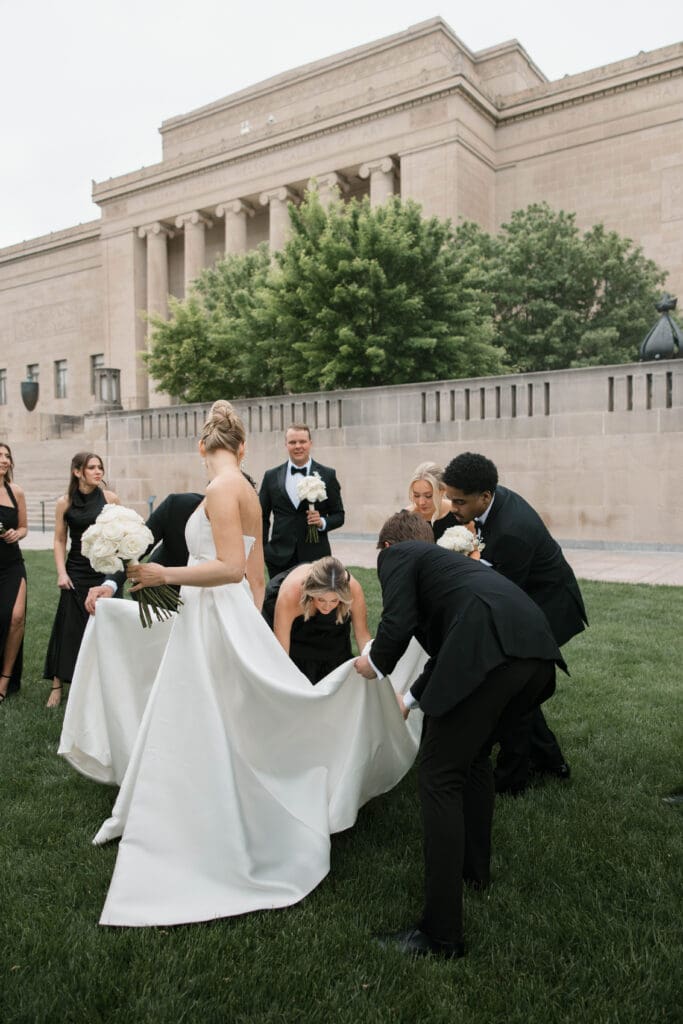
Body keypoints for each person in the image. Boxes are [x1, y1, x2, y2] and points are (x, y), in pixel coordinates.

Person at [92, 401, 420, 928]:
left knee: (200, 710)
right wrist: (249, 617)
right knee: (210, 711)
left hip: (210, 614)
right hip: (224, 614)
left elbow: (224, 566)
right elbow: (255, 565)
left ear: (203, 446)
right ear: (241, 448)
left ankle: (199, 818)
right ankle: (173, 802)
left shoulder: (222, 489)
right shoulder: (245, 486)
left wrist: (161, 574)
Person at [354, 511, 566, 959]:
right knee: (471, 762)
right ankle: (474, 873)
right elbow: (448, 651)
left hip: (491, 654)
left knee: (437, 776)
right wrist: (408, 700)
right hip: (534, 656)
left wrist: (372, 665)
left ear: (386, 548)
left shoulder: (400, 555)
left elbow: (398, 623)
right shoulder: (456, 574)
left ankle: (440, 935)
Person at [442, 452, 588, 794]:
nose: (452, 507)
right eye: (450, 498)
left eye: (459, 501)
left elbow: (504, 599)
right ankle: (550, 763)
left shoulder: (512, 532)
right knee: (522, 690)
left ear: (485, 497)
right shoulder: (493, 498)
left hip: (548, 608)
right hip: (528, 597)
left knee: (513, 687)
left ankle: (511, 779)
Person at [43, 452, 119, 708]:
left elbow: (120, 534)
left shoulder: (110, 499)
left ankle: (100, 682)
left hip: (103, 570)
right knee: (69, 626)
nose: (98, 472)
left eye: (100, 467)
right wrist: (61, 572)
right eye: (92, 468)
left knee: (103, 626)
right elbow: (59, 539)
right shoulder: (64, 502)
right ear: (77, 472)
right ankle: (57, 685)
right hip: (75, 569)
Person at [263, 556, 371, 683]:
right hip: (294, 631)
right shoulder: (291, 594)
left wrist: (371, 664)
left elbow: (362, 634)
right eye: (321, 599)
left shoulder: (352, 589)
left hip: (331, 636)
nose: (327, 606)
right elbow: (281, 652)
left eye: (334, 600)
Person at [259, 424, 345, 578]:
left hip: (316, 557)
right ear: (286, 445)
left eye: (302, 441)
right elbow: (262, 517)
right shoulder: (270, 476)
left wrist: (322, 522)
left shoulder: (327, 475)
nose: (298, 446)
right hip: (279, 558)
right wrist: (264, 549)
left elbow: (339, 515)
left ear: (310, 443)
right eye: (292, 442)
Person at [0, 443, 28, 703]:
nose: (4, 459)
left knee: (17, 617)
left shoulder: (15, 491)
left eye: (7, 455)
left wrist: (15, 533)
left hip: (12, 563)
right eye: (0, 455)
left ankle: (6, 679)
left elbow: (23, 528)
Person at [404, 462, 459, 541]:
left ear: (442, 490)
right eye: (416, 495)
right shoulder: (405, 518)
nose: (421, 502)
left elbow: (476, 549)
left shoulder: (459, 513)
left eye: (428, 496)